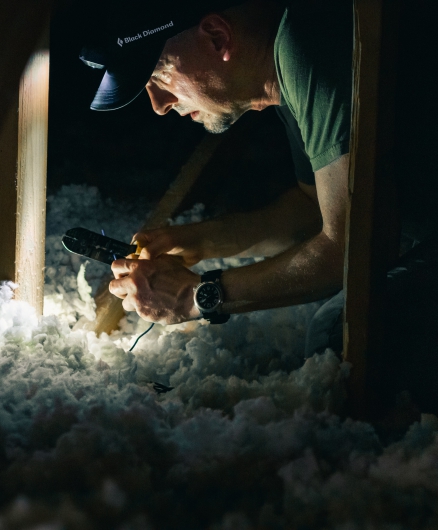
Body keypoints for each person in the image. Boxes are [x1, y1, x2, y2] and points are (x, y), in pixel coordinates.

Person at [79, 0, 353, 354]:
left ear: (217, 38)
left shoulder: (307, 48)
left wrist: (195, 297)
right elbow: (314, 209)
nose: (159, 105)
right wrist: (203, 241)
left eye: (159, 76)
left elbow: (347, 249)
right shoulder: (282, 71)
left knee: (334, 336)